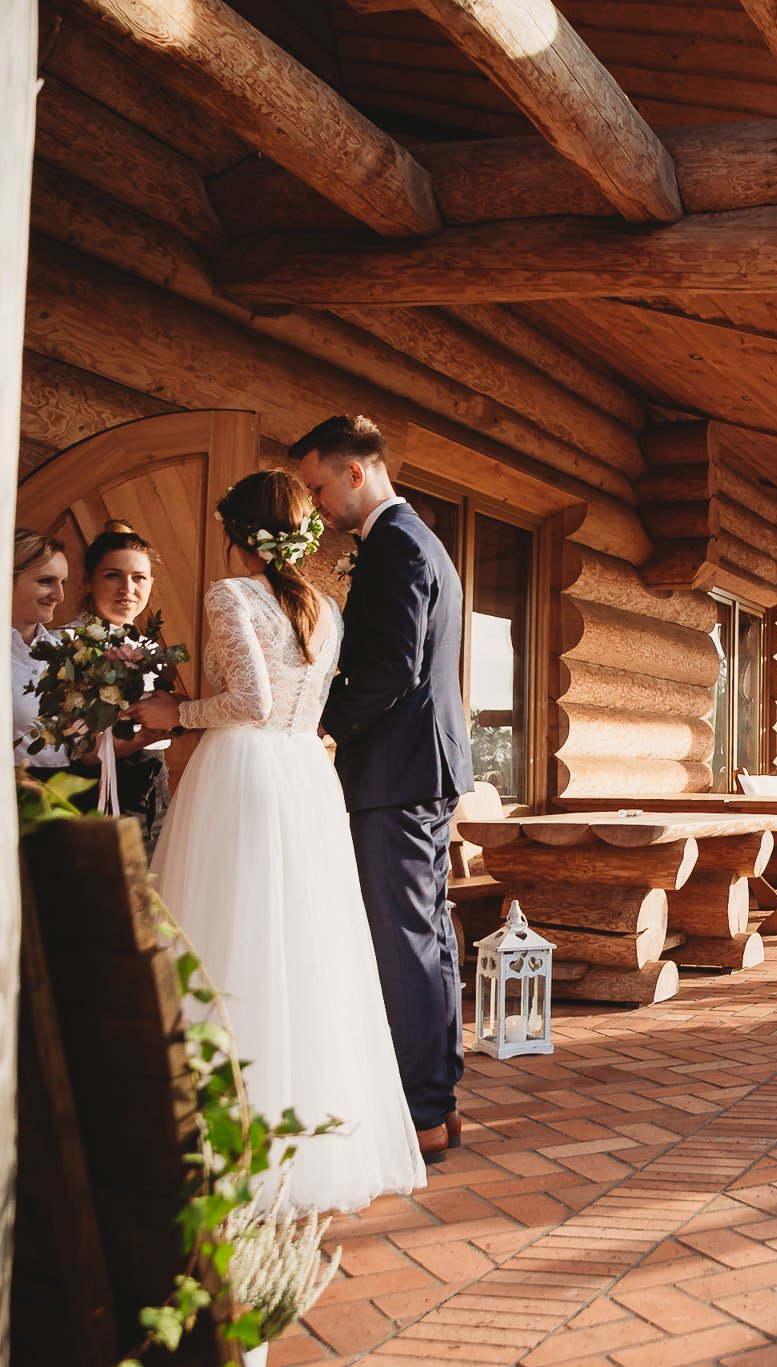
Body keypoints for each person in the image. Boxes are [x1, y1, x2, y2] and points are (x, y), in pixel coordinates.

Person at [131, 471, 426, 1212]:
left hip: (246, 772)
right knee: (303, 951)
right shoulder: (325, 606)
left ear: (237, 531)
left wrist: (176, 712)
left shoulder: (231, 594)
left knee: (228, 937)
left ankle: (221, 1137)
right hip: (304, 776)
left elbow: (251, 704)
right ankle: (308, 1141)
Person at [297, 416, 474, 1162]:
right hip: (420, 768)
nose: (318, 504)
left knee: (405, 938)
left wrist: (319, 717)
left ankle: (424, 1108)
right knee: (427, 933)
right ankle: (438, 1097)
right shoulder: (421, 540)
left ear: (357, 473)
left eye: (320, 486)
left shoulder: (398, 545)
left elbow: (394, 664)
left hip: (397, 771)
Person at [64, 521, 178, 852]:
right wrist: (157, 729)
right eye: (113, 575)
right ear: (87, 581)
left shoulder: (151, 649)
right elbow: (85, 752)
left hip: (154, 785)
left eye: (138, 578)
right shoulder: (67, 645)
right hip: (96, 792)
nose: (127, 588)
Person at [12, 531, 70, 771]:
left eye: (62, 582)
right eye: (46, 581)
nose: (59, 596)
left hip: (66, 792)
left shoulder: (61, 651)